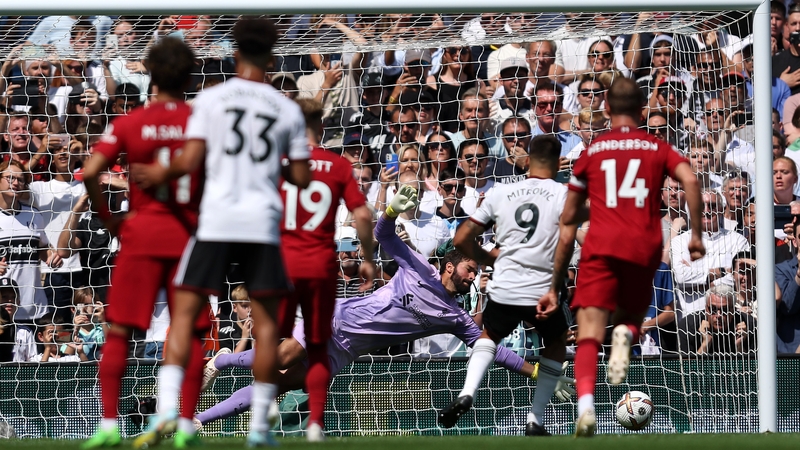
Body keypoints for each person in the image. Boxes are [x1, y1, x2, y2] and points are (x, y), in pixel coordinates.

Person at [195, 185, 574, 427]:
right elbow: (381, 236)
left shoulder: (456, 317)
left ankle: (198, 420)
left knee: (272, 388)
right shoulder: (418, 266)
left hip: (346, 352)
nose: (472, 276)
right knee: (282, 356)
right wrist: (391, 212)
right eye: (470, 267)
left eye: (475, 272)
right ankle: (224, 360)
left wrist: (539, 371)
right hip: (334, 320)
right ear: (450, 264)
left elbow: (494, 351)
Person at [130, 18, 311, 448]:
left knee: (185, 319)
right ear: (271, 57)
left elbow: (189, 159)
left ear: (233, 55)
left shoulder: (212, 99)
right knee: (267, 327)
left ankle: (167, 418)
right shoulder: (286, 109)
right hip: (263, 225)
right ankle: (259, 431)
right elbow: (301, 177)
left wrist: (158, 171)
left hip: (216, 221)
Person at [553, 78, 705, 437]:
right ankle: (626, 332)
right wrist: (696, 233)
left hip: (603, 243)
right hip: (645, 243)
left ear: (606, 109)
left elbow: (570, 216)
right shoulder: (657, 145)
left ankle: (586, 408)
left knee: (589, 332)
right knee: (632, 314)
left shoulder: (592, 151)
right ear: (642, 111)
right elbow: (691, 181)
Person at [79, 37, 209, 450]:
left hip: (140, 236)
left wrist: (110, 220)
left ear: (148, 73)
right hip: (189, 238)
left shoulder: (129, 122)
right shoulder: (203, 121)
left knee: (118, 331)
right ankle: (186, 427)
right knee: (190, 333)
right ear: (191, 75)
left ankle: (109, 425)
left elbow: (89, 173)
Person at [439, 134, 572, 436]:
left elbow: (460, 239)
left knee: (490, 334)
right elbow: (568, 240)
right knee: (555, 341)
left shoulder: (500, 194)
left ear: (527, 161)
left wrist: (489, 259)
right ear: (555, 161)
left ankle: (467, 392)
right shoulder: (564, 194)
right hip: (542, 285)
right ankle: (535, 420)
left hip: (506, 284)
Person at [275, 97, 374, 442]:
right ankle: (315, 424)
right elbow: (362, 215)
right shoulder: (338, 165)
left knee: (272, 342)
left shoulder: (279, 164)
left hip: (282, 262)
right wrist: (369, 259)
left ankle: (262, 412)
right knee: (317, 346)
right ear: (321, 126)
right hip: (319, 263)